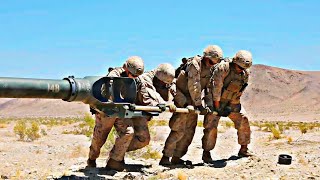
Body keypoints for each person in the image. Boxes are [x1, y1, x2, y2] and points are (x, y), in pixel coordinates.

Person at [159, 45, 223, 166]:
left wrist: (208, 105)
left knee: (189, 131)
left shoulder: (211, 69)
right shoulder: (195, 64)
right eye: (210, 61)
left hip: (194, 101)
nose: (211, 64)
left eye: (215, 63)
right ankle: (166, 157)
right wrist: (199, 105)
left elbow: (209, 88)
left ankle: (177, 157)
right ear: (206, 57)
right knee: (178, 129)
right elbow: (194, 85)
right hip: (182, 96)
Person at [106, 63, 177, 171]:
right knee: (127, 133)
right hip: (128, 111)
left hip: (141, 113)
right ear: (159, 77)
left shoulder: (165, 81)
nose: (164, 85)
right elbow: (152, 92)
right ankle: (114, 161)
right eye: (163, 83)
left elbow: (171, 87)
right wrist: (165, 103)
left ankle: (116, 153)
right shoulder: (145, 78)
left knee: (143, 140)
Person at [87, 56, 144, 167]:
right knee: (99, 139)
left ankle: (114, 160)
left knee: (128, 132)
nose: (135, 78)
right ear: (126, 69)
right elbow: (106, 93)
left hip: (121, 112)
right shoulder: (114, 75)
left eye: (137, 76)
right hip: (107, 112)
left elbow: (142, 92)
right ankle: (91, 159)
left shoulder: (136, 80)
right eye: (133, 75)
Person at [202, 50, 253, 163]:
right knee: (211, 125)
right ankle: (206, 153)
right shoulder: (223, 68)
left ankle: (244, 149)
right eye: (239, 67)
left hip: (231, 100)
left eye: (243, 68)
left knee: (243, 119)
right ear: (235, 62)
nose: (241, 70)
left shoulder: (245, 73)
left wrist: (231, 106)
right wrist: (217, 106)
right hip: (214, 99)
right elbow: (216, 88)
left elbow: (240, 90)